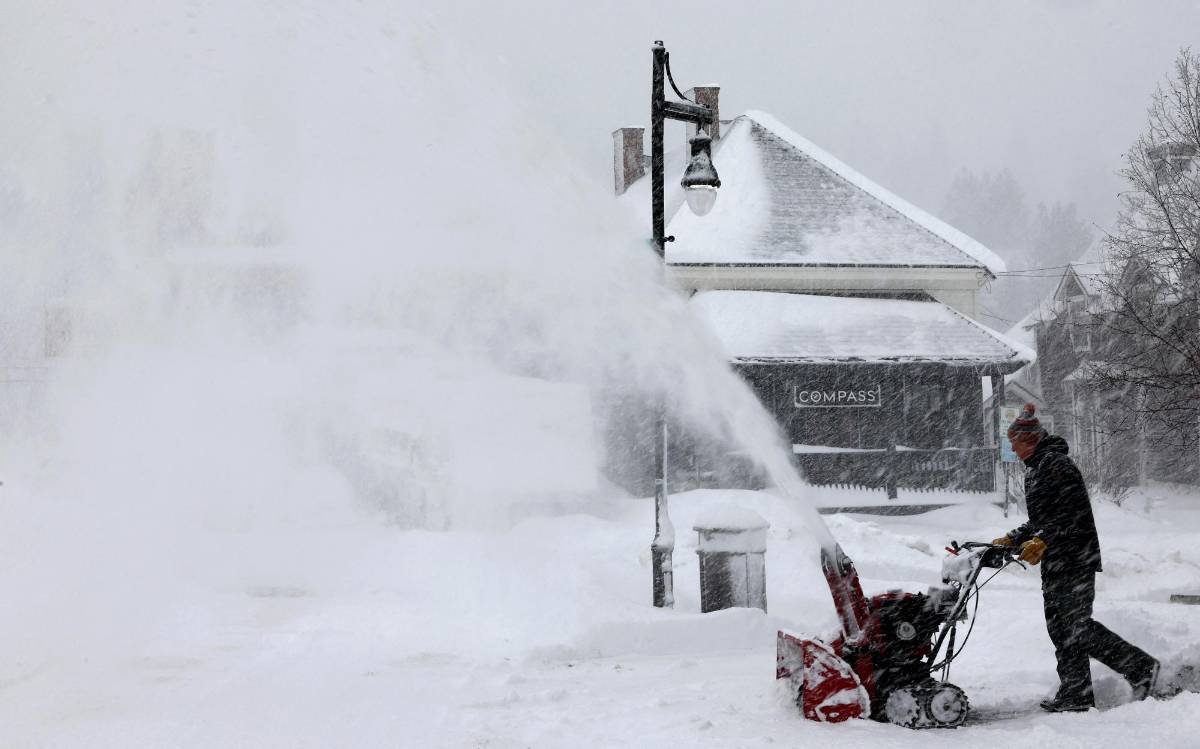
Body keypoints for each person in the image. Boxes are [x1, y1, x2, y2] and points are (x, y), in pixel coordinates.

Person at [992, 403, 1159, 712]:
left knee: (1076, 627)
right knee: (1061, 629)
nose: (1012, 449)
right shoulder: (1035, 471)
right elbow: (1043, 519)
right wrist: (1013, 539)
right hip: (1057, 560)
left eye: (1014, 442)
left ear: (1028, 440)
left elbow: (1072, 515)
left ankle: (1141, 668)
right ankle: (1076, 693)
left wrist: (1043, 539)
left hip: (1075, 558)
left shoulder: (1057, 465)